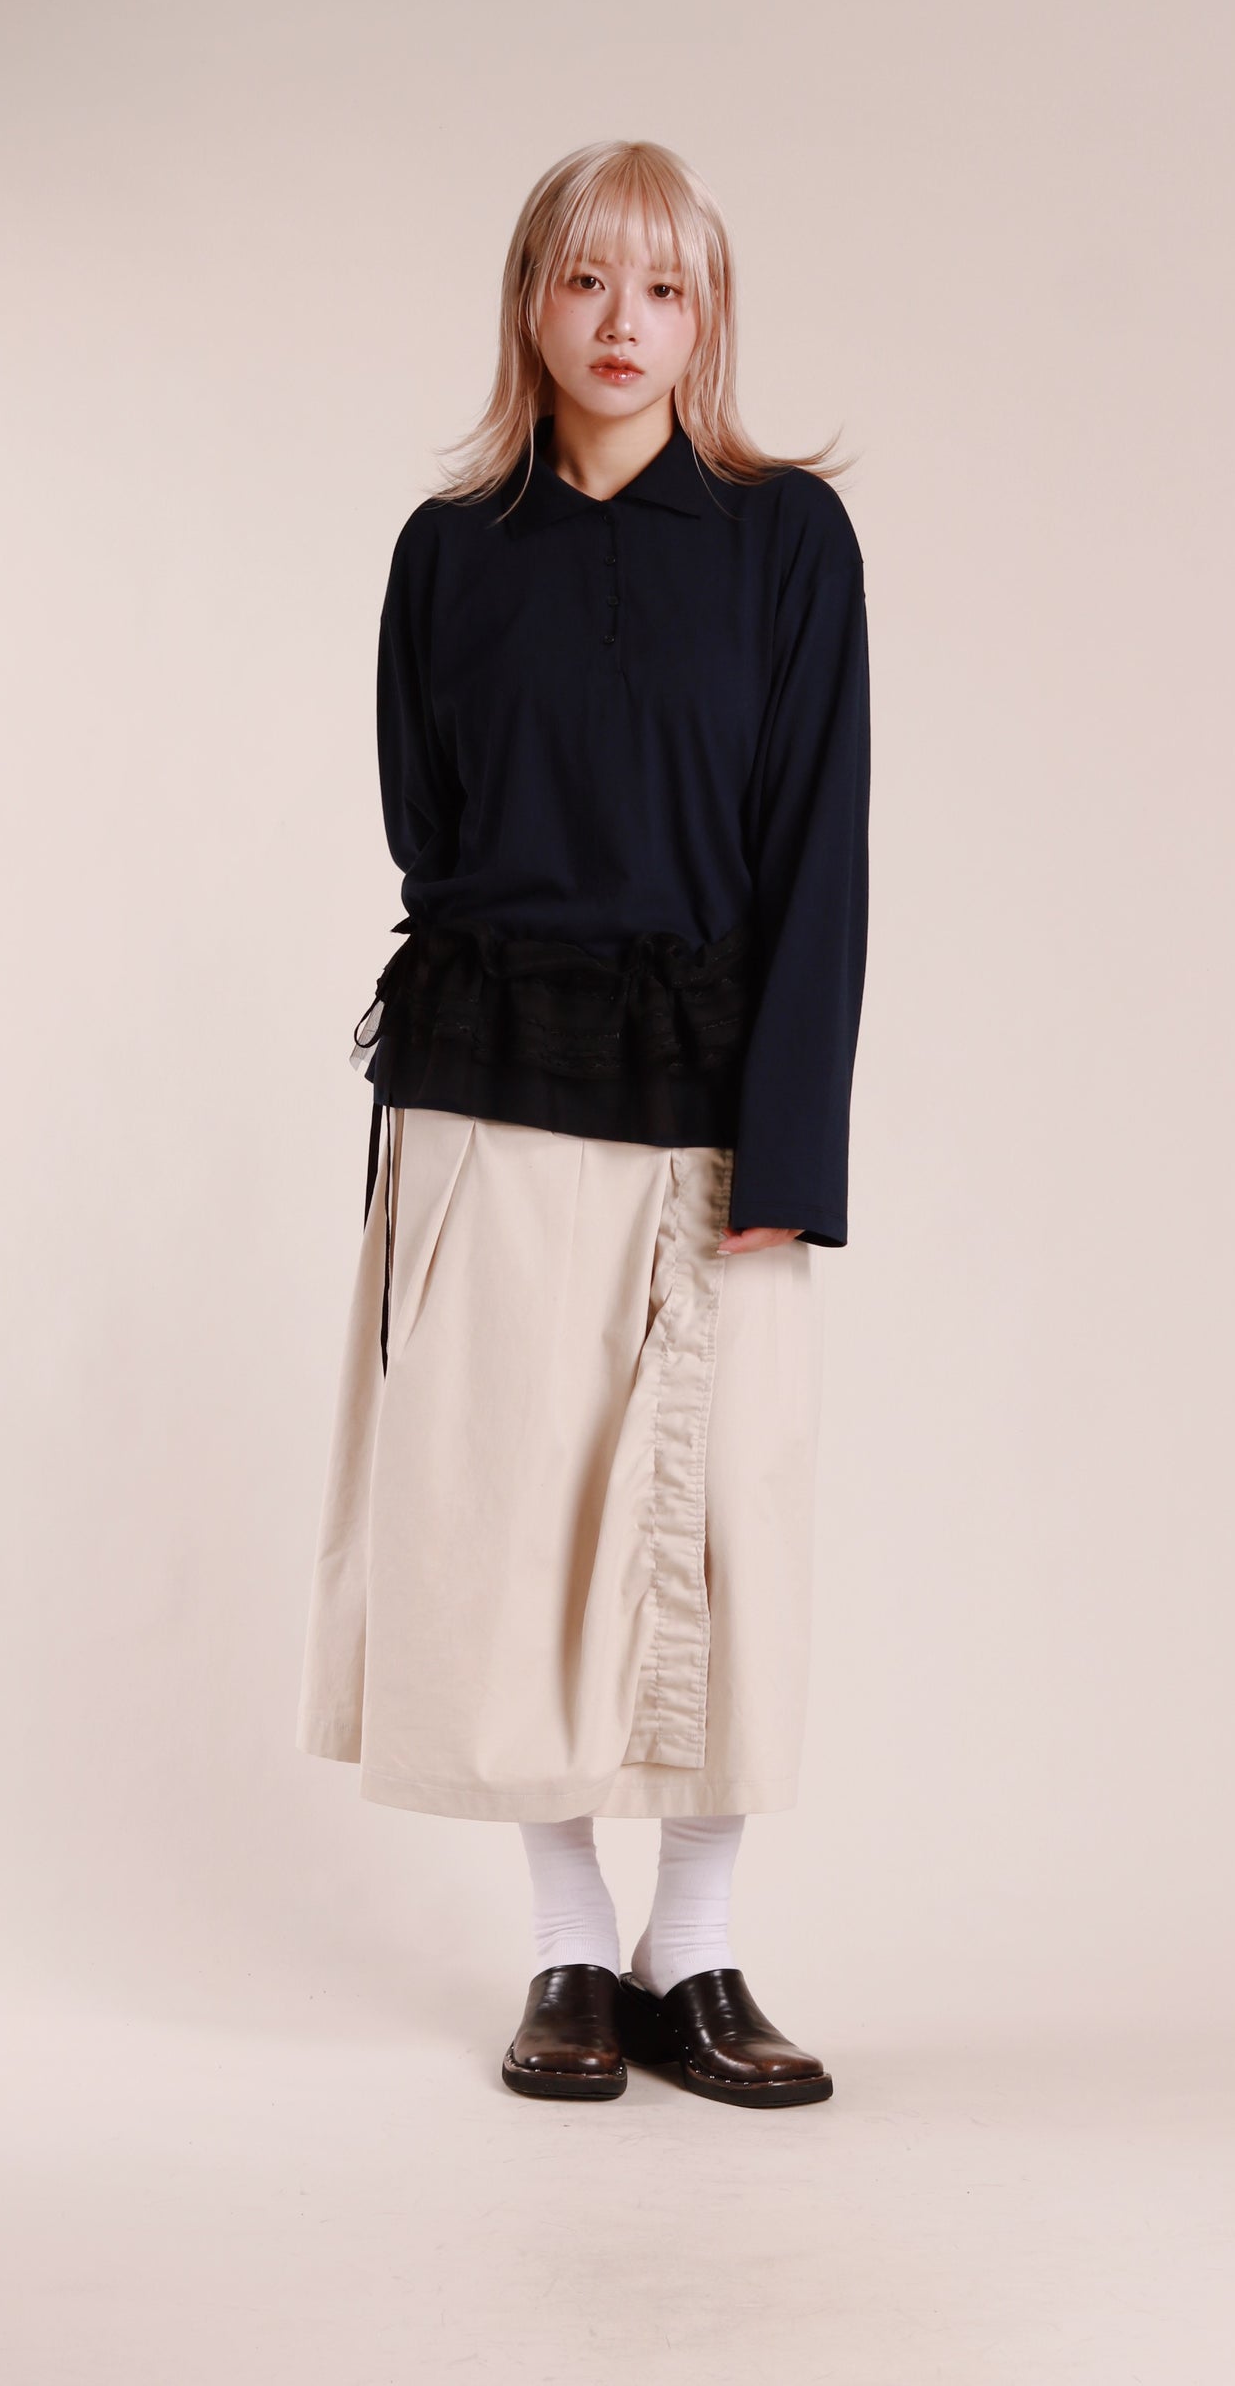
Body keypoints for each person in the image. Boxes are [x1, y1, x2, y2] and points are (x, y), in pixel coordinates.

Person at [298, 139, 870, 2108]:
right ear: (529, 301)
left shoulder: (786, 542)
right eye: (586, 281)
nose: (623, 324)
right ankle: (563, 1944)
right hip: (488, 1083)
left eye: (665, 287)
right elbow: (427, 825)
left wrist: (788, 1150)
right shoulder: (448, 550)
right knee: (503, 1516)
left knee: (721, 1523)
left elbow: (819, 853)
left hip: (713, 1094)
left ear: (708, 318)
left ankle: (690, 1948)